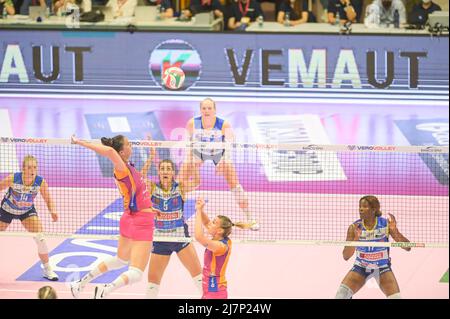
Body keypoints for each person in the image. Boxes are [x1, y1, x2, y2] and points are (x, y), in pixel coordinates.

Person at [70, 134, 155, 299]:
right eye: (128, 144)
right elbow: (109, 151)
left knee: (120, 260)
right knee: (136, 273)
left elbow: (139, 181)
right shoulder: (121, 167)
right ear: (121, 152)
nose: (131, 146)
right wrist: (79, 141)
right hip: (141, 222)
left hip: (129, 219)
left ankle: (80, 283)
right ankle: (105, 290)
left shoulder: (129, 168)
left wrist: (151, 156)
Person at [178, 98, 259, 230]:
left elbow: (230, 144)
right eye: (204, 108)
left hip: (219, 153)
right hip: (198, 152)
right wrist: (192, 159)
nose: (207, 111)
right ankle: (177, 217)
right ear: (200, 110)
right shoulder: (192, 123)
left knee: (235, 185)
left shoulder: (223, 124)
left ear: (215, 110)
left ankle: (250, 218)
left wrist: (222, 161)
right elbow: (189, 144)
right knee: (179, 183)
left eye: (209, 108)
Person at [141, 144, 203, 299]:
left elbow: (196, 181)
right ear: (159, 172)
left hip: (180, 237)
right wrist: (150, 158)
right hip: (160, 239)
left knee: (199, 278)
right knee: (152, 284)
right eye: (162, 169)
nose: (165, 171)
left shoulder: (180, 187)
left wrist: (192, 162)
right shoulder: (152, 188)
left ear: (174, 173)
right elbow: (140, 178)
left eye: (169, 169)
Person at [335, 195, 411, 299]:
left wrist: (395, 231)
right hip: (360, 267)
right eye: (360, 206)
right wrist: (356, 239)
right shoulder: (354, 227)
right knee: (341, 296)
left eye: (365, 206)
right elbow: (346, 256)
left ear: (374, 209)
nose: (361, 209)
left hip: (382, 268)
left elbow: (407, 247)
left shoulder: (385, 224)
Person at [0, 155, 59, 281]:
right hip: (6, 211)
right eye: (30, 167)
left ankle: (47, 269)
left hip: (26, 212)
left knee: (40, 238)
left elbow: (48, 199)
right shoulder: (13, 178)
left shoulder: (40, 182)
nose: (33, 170)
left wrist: (52, 210)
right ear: (23, 169)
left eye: (35, 167)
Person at [194, 198, 249, 299]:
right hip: (210, 288)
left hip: (215, 290)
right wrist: (201, 210)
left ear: (219, 230)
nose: (210, 223)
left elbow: (198, 237)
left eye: (214, 222)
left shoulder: (220, 246)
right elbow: (206, 222)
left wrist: (198, 212)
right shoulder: (220, 237)